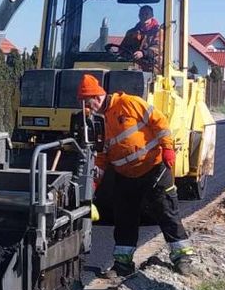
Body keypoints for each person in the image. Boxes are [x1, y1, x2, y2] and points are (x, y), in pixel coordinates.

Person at [77, 73, 194, 277]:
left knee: (166, 211)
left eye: (88, 103)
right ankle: (122, 265)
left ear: (97, 97)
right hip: (126, 176)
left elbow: (160, 122)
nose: (88, 108)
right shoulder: (99, 121)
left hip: (154, 168)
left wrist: (167, 148)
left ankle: (182, 258)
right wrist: (94, 182)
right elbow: (103, 156)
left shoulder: (129, 103)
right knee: (124, 219)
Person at [118, 6, 163, 73]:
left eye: (147, 14)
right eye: (142, 14)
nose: (144, 16)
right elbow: (123, 48)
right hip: (132, 69)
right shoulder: (131, 32)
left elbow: (158, 47)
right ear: (139, 16)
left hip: (153, 69)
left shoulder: (159, 32)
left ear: (152, 15)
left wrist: (143, 53)